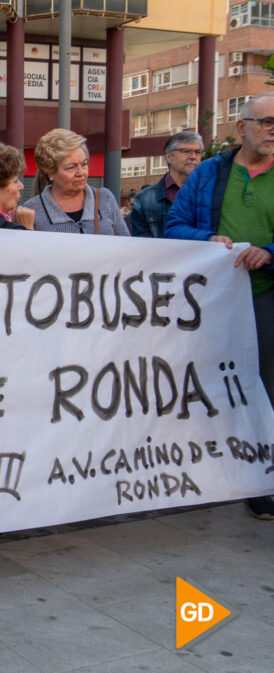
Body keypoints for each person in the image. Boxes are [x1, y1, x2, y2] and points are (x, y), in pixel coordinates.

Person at [164, 92, 274, 519]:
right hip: (211, 302)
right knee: (204, 385)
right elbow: (175, 228)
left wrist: (269, 251)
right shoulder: (209, 173)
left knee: (264, 386)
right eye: (265, 122)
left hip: (265, 295)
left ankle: (260, 479)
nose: (271, 131)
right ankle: (210, 469)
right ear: (241, 126)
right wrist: (204, 241)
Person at [23, 128, 129, 236]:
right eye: (71, 167)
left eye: (84, 164)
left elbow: (126, 246)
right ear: (50, 172)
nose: (81, 172)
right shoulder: (32, 209)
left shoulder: (105, 198)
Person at [129, 131, 203, 238]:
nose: (193, 156)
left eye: (197, 152)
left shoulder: (210, 193)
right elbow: (142, 244)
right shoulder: (144, 199)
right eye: (186, 151)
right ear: (169, 157)